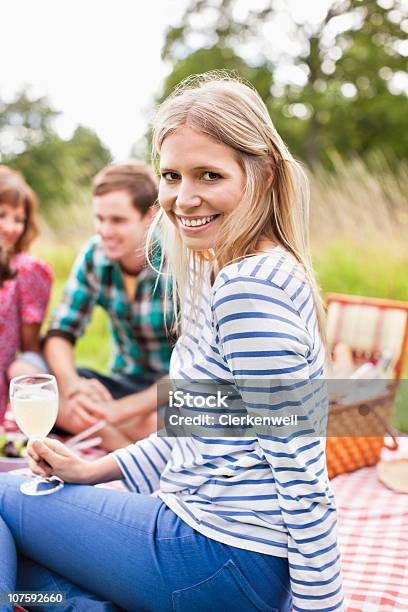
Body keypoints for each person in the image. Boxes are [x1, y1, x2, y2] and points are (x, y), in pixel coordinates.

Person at [0, 73, 344, 611]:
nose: (184, 199)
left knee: (3, 501)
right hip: (222, 556)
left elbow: (303, 471)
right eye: (171, 176)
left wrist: (319, 606)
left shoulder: (246, 289)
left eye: (208, 174)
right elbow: (205, 428)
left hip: (221, 555)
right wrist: (91, 470)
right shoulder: (227, 271)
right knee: (24, 563)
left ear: (263, 173)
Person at [43, 162, 174, 449]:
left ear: (150, 217)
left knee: (208, 415)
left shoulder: (179, 262)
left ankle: (108, 435)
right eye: (99, 219)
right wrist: (73, 388)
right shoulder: (95, 254)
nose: (105, 230)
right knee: (31, 376)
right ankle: (132, 447)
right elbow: (60, 333)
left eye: (117, 220)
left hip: (172, 388)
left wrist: (122, 411)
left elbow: (195, 367)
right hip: (122, 382)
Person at [0, 166, 52, 420]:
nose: (10, 227)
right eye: (2, 215)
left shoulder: (27, 270)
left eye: (18, 219)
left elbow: (29, 347)